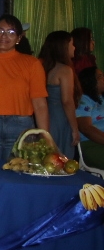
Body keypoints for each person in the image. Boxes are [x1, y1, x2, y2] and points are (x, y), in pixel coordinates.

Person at [0, 15, 49, 160]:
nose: (4, 36)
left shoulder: (32, 64)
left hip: (21, 129)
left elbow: (40, 104)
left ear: (19, 38)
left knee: (20, 171)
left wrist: (45, 138)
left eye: (11, 32)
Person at [39, 31, 80, 159]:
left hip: (43, 116)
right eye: (72, 44)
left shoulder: (40, 66)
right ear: (63, 47)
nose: (74, 48)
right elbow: (67, 101)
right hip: (60, 118)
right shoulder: (64, 70)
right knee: (61, 159)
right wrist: (75, 128)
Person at [76, 67, 104, 170]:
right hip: (91, 144)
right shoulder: (85, 100)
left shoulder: (101, 98)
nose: (103, 79)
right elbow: (86, 128)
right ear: (90, 81)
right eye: (100, 77)